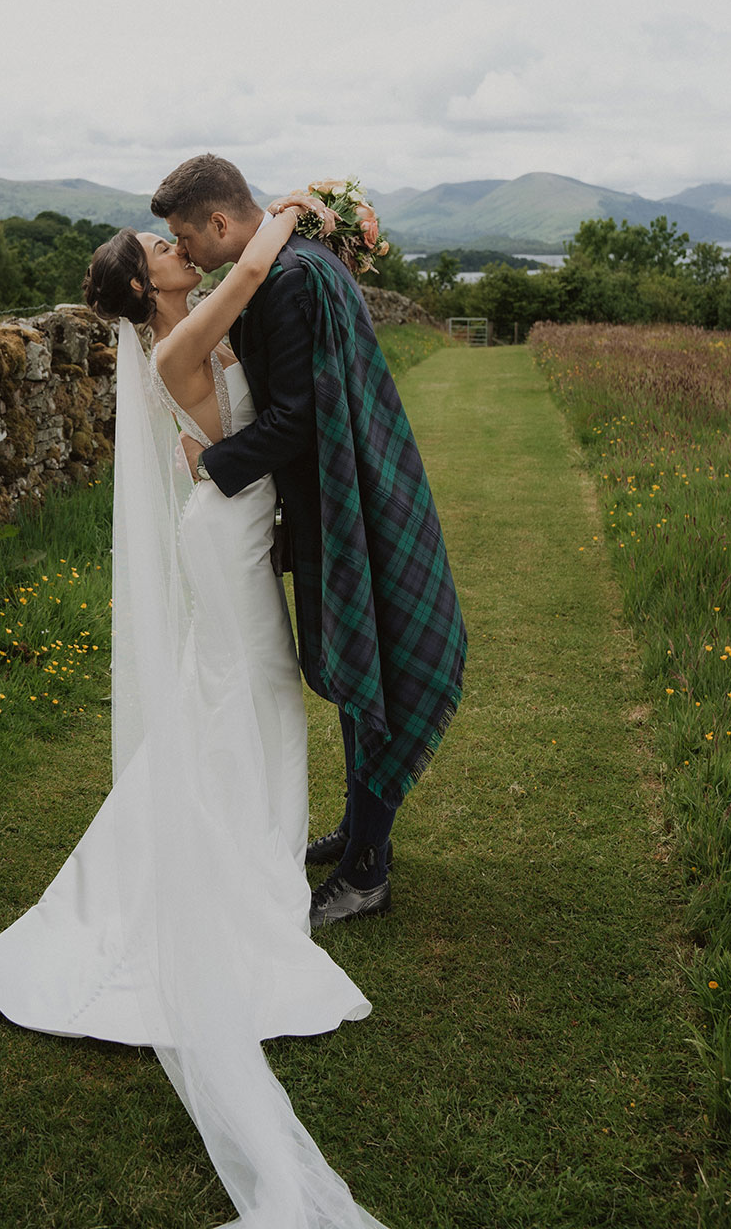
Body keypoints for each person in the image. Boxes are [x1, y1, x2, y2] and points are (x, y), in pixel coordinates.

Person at [0, 205, 386, 1228]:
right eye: (161, 249)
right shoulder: (183, 335)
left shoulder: (187, 332)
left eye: (176, 240)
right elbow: (245, 275)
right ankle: (244, 866)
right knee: (250, 689)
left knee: (241, 690)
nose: (179, 251)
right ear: (145, 289)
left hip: (234, 522)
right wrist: (290, 211)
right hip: (228, 534)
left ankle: (249, 847)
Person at [150, 154, 465, 930]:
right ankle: (361, 834)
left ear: (220, 223)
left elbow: (298, 419)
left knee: (373, 670)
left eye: (187, 238)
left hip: (345, 505)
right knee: (363, 667)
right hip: (352, 489)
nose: (184, 254)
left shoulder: (288, 281)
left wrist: (213, 464)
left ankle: (366, 871)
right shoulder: (301, 255)